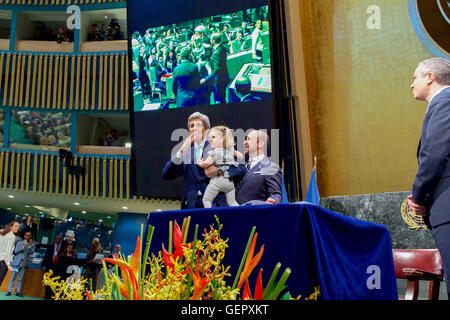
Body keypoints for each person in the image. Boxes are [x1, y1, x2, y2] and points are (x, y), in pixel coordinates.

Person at [407, 57, 450, 299]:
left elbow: (434, 155)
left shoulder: (444, 102)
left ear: (430, 77)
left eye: (415, 77)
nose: (412, 84)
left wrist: (420, 199)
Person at [197, 126, 243, 208]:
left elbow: (206, 164)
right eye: (210, 137)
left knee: (206, 200)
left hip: (217, 182)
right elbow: (241, 156)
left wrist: (200, 162)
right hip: (229, 183)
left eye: (213, 137)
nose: (210, 139)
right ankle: (241, 212)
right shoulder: (230, 150)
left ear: (223, 139)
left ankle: (210, 214)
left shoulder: (214, 152)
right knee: (232, 202)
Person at [235, 130, 282, 205]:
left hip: (255, 214)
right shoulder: (240, 167)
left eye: (248, 139)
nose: (244, 142)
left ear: (260, 144)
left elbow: (275, 194)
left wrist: (272, 201)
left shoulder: (270, 167)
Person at [201, 33, 230, 104]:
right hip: (224, 77)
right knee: (222, 98)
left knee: (220, 100)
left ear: (213, 41)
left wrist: (206, 79)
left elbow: (216, 69)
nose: (210, 40)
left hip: (219, 80)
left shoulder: (217, 52)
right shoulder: (222, 48)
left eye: (211, 39)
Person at [6, 231, 35, 297]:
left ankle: (18, 292)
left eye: (29, 235)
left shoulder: (32, 244)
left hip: (24, 264)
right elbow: (15, 251)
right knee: (13, 277)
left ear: (30, 237)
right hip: (17, 263)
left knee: (20, 278)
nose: (28, 236)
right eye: (27, 235)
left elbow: (32, 253)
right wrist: (23, 247)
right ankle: (9, 291)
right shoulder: (19, 243)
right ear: (24, 236)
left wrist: (29, 246)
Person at [41, 234, 63, 299]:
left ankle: (53, 296)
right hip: (49, 266)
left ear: (61, 240)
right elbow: (46, 256)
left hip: (57, 267)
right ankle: (47, 296)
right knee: (47, 282)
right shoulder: (50, 246)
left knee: (55, 282)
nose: (58, 240)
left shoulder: (63, 247)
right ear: (55, 239)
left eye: (59, 239)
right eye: (57, 238)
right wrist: (43, 265)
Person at [0, 221, 20, 288]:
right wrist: (8, 265)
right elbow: (7, 252)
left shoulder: (3, 234)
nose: (17, 228)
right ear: (11, 227)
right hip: (3, 263)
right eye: (16, 226)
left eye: (18, 226)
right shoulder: (11, 236)